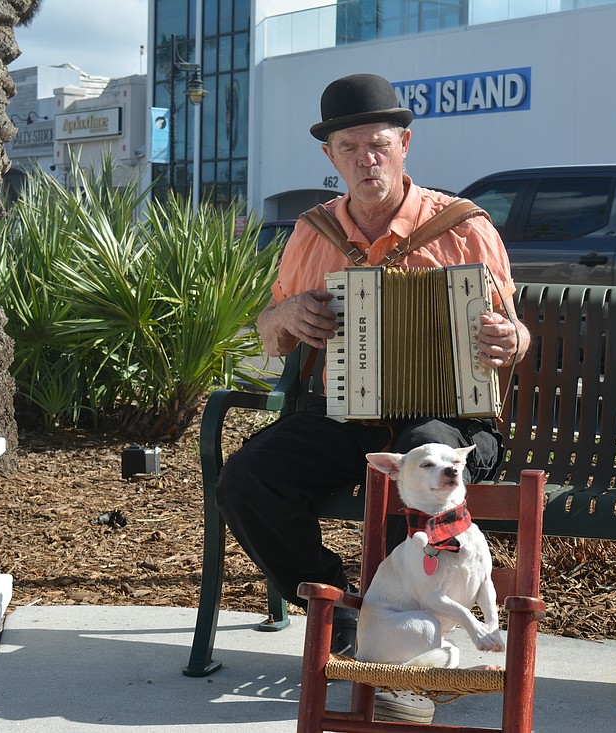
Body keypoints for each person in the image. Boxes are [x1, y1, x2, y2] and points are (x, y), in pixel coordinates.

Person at [214, 73, 529, 723]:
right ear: (330, 156)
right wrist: (291, 314)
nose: (366, 158)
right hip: (343, 412)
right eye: (350, 146)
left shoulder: (464, 228)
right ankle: (345, 612)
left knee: (417, 461)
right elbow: (267, 332)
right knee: (246, 478)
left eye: (378, 143)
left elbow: (516, 332)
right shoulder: (314, 233)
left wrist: (508, 339)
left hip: (450, 419)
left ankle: (403, 666)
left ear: (405, 143)